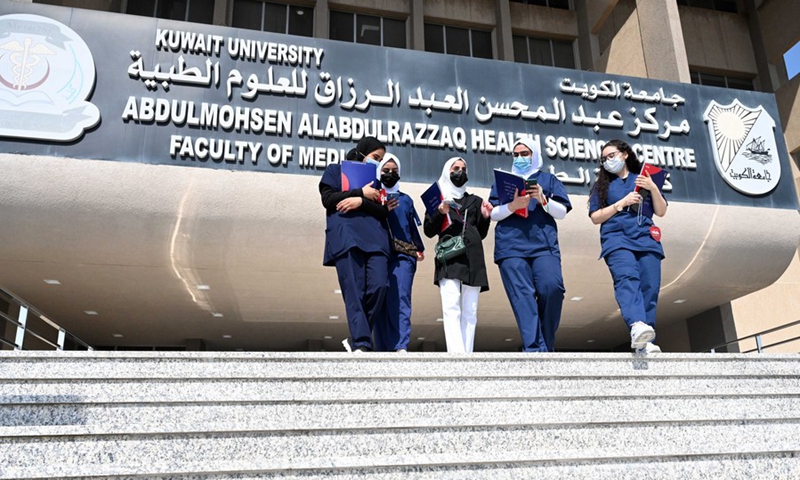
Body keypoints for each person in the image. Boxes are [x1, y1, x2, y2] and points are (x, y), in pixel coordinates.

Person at [489, 138, 571, 352]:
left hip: (543, 246)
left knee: (552, 288)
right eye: (515, 154)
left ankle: (545, 344)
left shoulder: (548, 179)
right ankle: (534, 349)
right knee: (522, 296)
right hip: (511, 246)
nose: (519, 158)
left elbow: (562, 212)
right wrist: (513, 206)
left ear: (534, 154)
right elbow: (493, 214)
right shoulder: (503, 181)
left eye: (524, 153)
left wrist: (543, 200)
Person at [588, 139, 668, 354]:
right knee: (627, 279)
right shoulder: (602, 187)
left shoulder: (642, 179)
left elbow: (660, 211)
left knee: (649, 287)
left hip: (646, 239)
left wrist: (652, 188)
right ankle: (636, 325)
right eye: (604, 159)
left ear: (624, 154)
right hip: (617, 239)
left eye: (611, 155)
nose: (607, 161)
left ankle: (646, 339)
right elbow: (595, 217)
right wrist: (620, 204)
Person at [319, 136, 389, 352]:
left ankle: (357, 338)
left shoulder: (379, 181)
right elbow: (328, 200)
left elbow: (384, 209)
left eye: (381, 159)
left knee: (379, 286)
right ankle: (361, 343)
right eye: (375, 157)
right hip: (347, 237)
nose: (378, 163)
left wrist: (360, 201)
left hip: (376, 240)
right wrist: (361, 193)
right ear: (361, 152)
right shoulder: (334, 170)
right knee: (354, 291)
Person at [423, 157, 492, 353]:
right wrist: (439, 211)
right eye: (455, 168)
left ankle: (467, 353)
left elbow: (481, 233)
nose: (460, 172)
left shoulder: (475, 201)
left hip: (473, 257)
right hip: (449, 256)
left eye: (463, 169)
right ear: (447, 171)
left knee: (470, 309)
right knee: (451, 304)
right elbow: (428, 230)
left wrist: (486, 217)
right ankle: (456, 353)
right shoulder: (438, 198)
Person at [372, 153, 426, 352]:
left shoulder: (406, 200)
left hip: (403, 255)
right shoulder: (373, 197)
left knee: (400, 298)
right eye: (385, 171)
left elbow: (412, 228)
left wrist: (419, 248)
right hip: (379, 254)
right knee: (380, 301)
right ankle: (382, 347)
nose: (390, 174)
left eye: (394, 171)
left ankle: (400, 345)